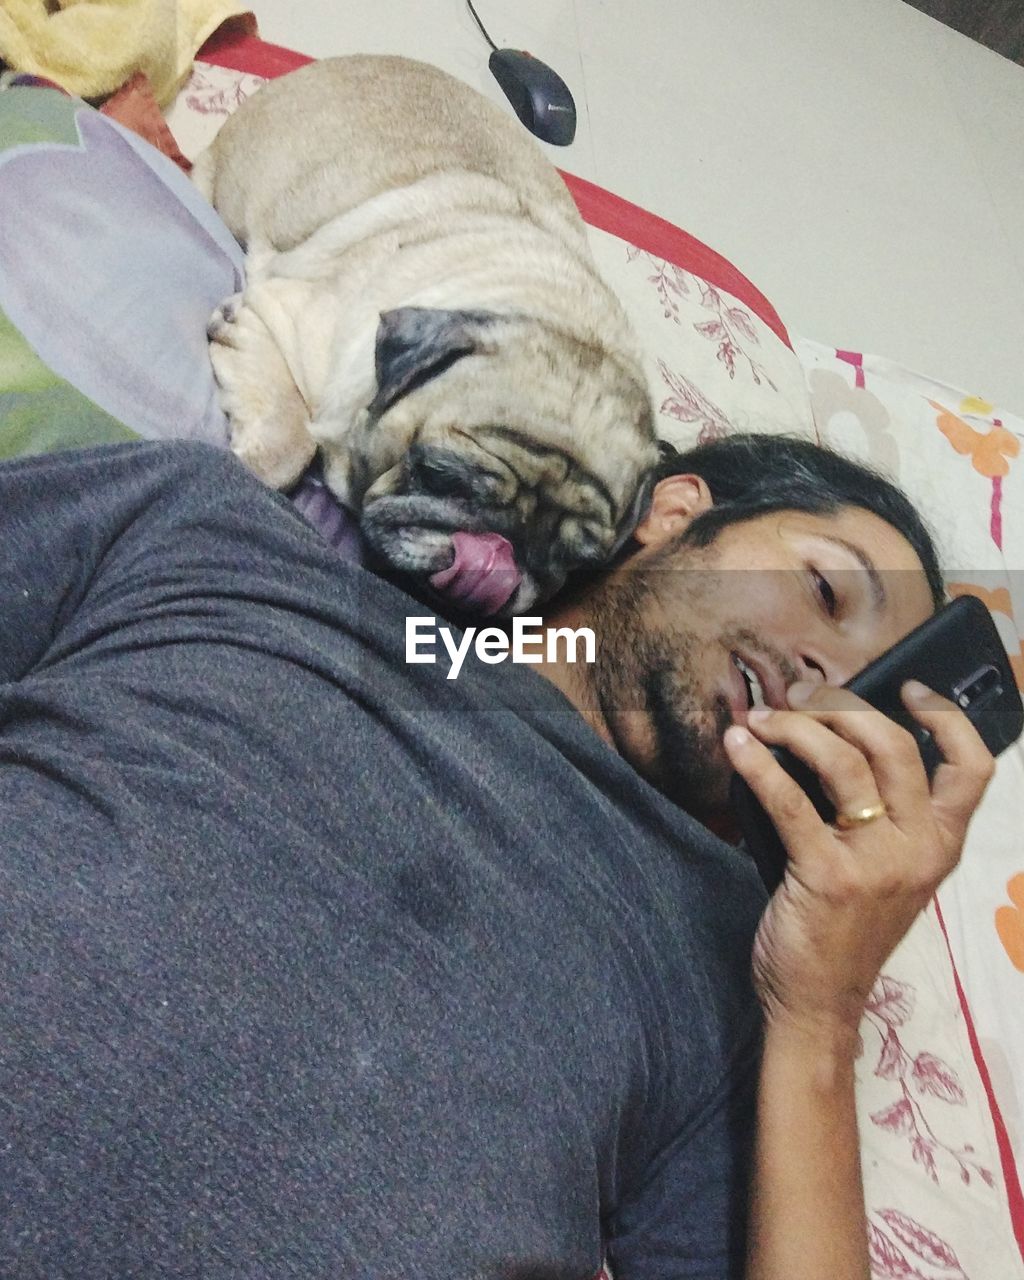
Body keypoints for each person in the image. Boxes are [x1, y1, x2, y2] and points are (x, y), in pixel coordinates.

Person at [0, 434, 993, 1280]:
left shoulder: (739, 988)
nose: (825, 675)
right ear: (675, 512)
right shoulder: (219, 536)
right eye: (824, 588)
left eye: (861, 697)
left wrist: (821, 1013)